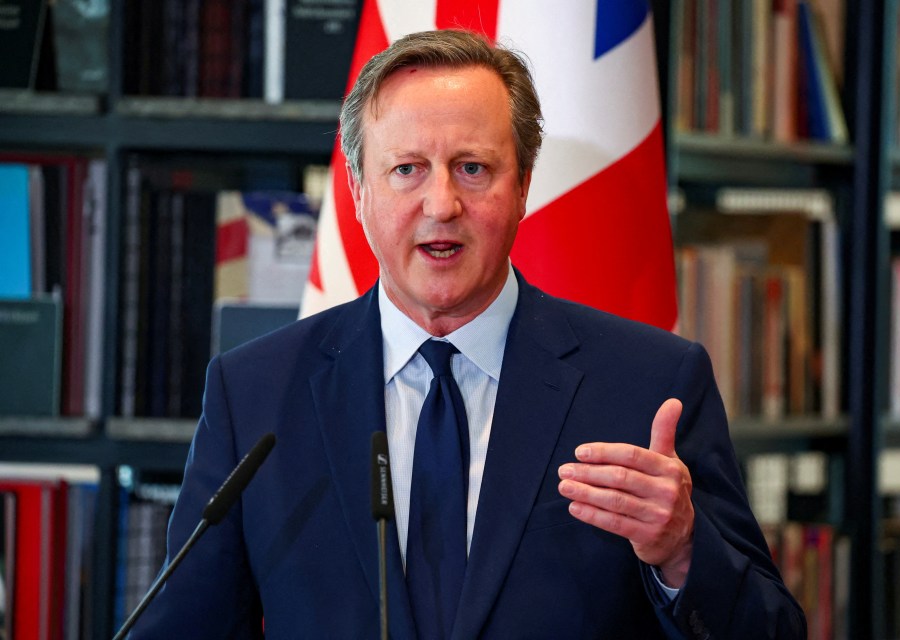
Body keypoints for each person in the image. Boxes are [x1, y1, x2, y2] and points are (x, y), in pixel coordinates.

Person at [128, 29, 805, 639]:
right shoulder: (256, 396)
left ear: (523, 189)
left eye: (473, 168)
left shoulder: (649, 384)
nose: (442, 204)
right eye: (408, 170)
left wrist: (684, 550)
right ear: (359, 194)